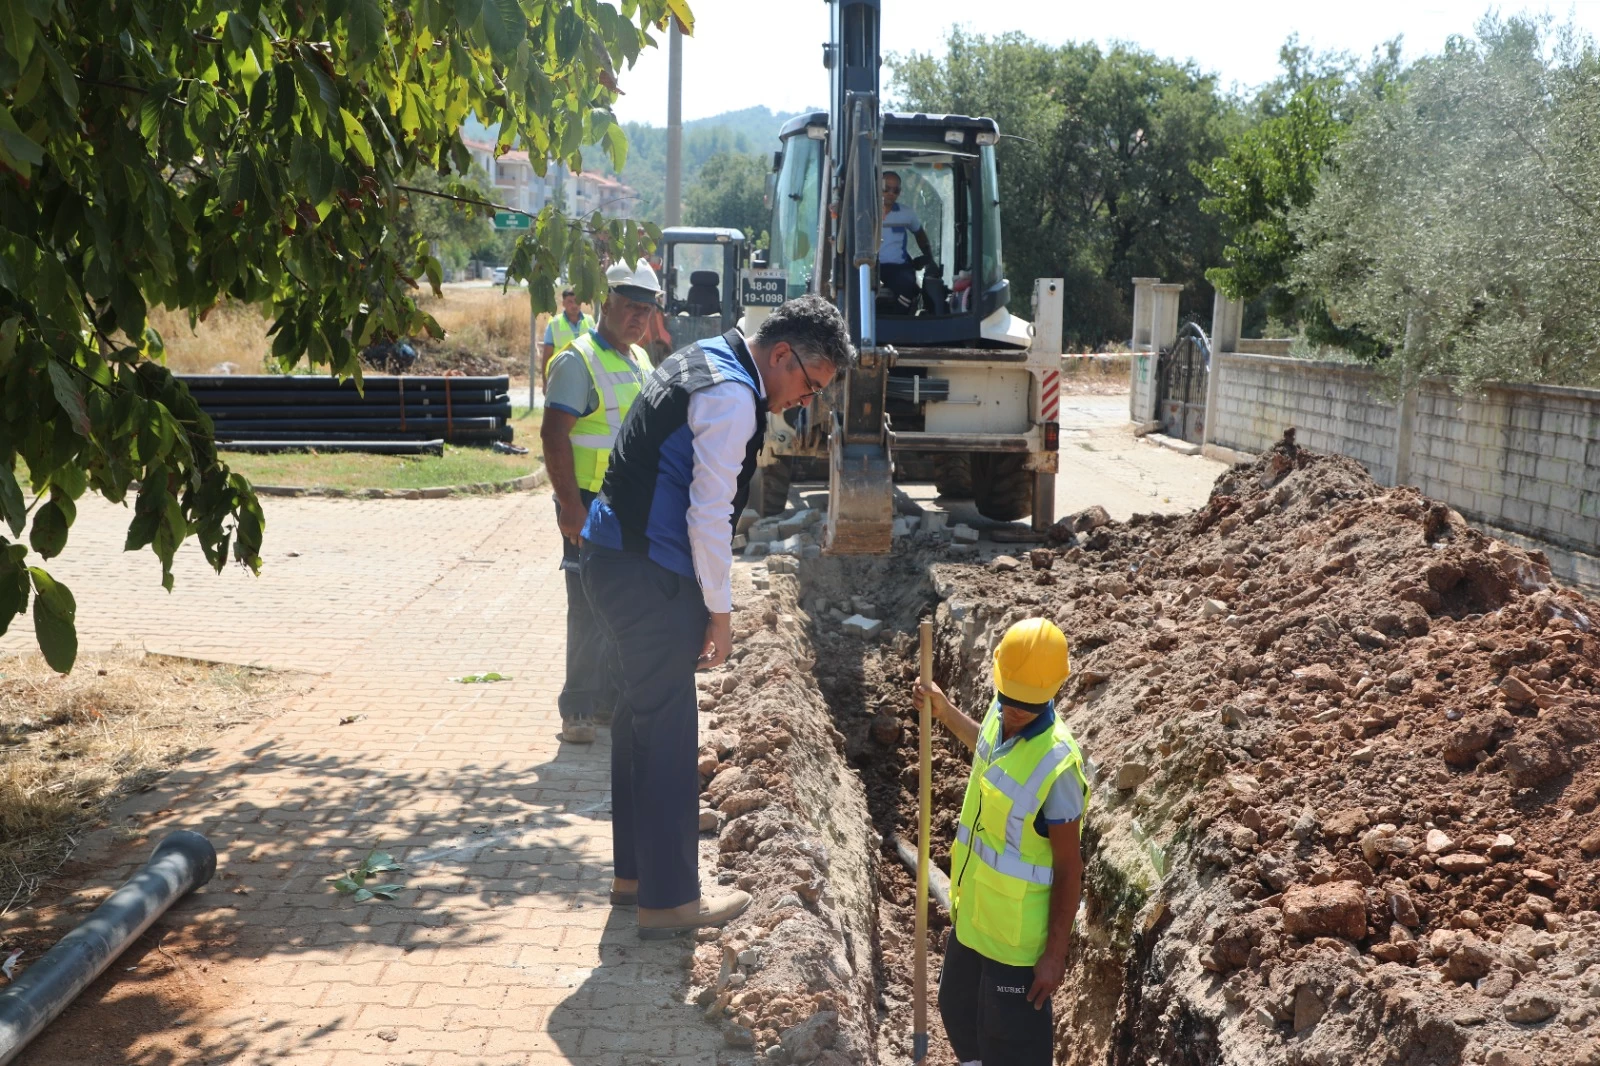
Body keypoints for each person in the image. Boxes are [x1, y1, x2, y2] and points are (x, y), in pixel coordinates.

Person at [580, 295, 854, 937]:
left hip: (615, 558)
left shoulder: (703, 357)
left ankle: (636, 878)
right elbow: (708, 516)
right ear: (782, 355)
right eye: (810, 385)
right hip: (649, 570)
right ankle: (671, 902)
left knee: (638, 713)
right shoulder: (734, 399)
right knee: (670, 727)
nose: (804, 403)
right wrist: (720, 613)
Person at [913, 618, 1090, 1066]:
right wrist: (945, 710)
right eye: (1006, 699)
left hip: (1016, 946)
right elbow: (990, 751)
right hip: (972, 917)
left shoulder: (1058, 767)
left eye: (1022, 706)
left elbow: (1070, 868)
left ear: (1050, 693)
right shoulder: (1000, 710)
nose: (1010, 712)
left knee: (1010, 1048)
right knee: (956, 1010)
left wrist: (1054, 955)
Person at [539, 261, 660, 745]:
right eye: (630, 307)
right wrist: (571, 505)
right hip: (587, 502)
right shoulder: (579, 360)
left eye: (646, 310)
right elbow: (553, 435)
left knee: (620, 604)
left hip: (628, 503)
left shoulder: (639, 361)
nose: (638, 318)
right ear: (605, 303)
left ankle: (610, 702)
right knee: (587, 605)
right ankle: (579, 709)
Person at [879, 170, 935, 312]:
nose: (890, 193)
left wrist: (928, 257)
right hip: (871, 266)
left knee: (909, 286)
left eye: (895, 190)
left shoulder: (906, 214)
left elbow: (919, 234)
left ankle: (898, 320)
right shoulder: (865, 212)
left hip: (897, 267)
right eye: (886, 189)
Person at [540, 288, 596, 391]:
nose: (574, 305)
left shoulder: (590, 322)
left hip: (586, 379)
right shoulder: (554, 324)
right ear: (563, 303)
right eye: (570, 302)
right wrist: (545, 382)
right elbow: (546, 356)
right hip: (561, 378)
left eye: (577, 301)